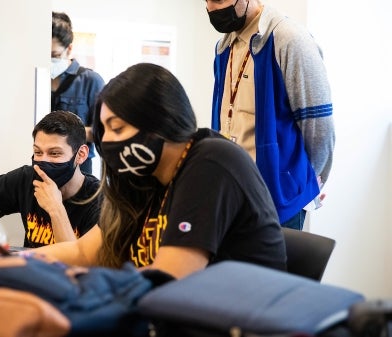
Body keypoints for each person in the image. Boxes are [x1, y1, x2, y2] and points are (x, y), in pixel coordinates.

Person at [31, 63, 286, 280]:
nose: (107, 141)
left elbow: (169, 278)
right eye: (103, 131)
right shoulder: (143, 178)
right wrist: (19, 261)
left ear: (160, 121)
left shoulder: (211, 161)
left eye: (117, 128)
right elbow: (84, 253)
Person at [205, 0, 335, 230]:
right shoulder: (223, 47)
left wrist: (306, 183)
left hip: (279, 200)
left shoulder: (290, 39)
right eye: (205, 1)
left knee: (273, 267)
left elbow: (318, 126)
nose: (212, 8)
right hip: (232, 194)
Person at [0, 111, 101, 261]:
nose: (43, 161)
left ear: (81, 155)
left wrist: (56, 209)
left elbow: (76, 263)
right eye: (38, 152)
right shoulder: (26, 178)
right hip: (25, 275)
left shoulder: (100, 199)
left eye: (54, 153)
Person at [51, 11, 105, 175]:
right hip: (44, 164)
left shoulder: (91, 81)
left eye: (55, 55)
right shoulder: (33, 80)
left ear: (69, 49)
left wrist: (65, 134)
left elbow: (102, 132)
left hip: (79, 169)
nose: (49, 60)